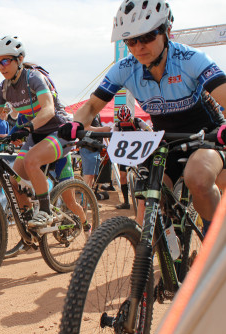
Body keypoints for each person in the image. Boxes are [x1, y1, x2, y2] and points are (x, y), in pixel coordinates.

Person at [58, 0, 226, 235]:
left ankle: (213, 252)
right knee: (147, 201)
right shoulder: (125, 68)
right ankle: (161, 259)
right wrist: (75, 123)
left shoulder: (190, 59)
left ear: (167, 31)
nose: (138, 47)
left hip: (206, 134)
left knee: (198, 178)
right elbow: (92, 106)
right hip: (168, 140)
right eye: (131, 41)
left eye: (147, 37)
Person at [0, 35, 72, 229]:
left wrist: (28, 127)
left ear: (19, 60)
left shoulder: (34, 78)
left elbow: (48, 109)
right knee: (14, 180)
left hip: (58, 130)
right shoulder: (3, 88)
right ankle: (28, 225)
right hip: (36, 133)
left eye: (5, 61)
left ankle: (48, 212)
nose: (1, 66)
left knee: (32, 161)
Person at [113, 105, 152, 211]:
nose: (124, 123)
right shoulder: (117, 125)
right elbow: (112, 137)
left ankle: (146, 199)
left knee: (143, 173)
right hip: (125, 152)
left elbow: (150, 130)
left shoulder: (138, 121)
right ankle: (126, 202)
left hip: (138, 151)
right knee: (122, 175)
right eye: (122, 121)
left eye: (127, 121)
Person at [79, 114, 111, 189]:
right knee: (88, 175)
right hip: (88, 147)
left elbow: (99, 128)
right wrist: (102, 129)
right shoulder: (89, 112)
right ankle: (84, 198)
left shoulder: (97, 114)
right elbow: (86, 128)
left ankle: (88, 198)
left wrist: (107, 142)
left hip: (96, 147)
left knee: (92, 175)